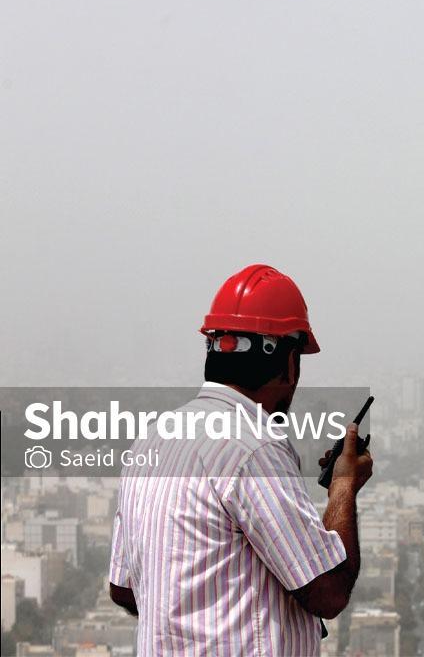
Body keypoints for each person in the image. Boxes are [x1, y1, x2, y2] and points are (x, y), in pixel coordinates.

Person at [107, 264, 372, 656]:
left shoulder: (151, 441)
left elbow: (125, 588)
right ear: (289, 361)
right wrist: (343, 486)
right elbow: (329, 591)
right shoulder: (255, 448)